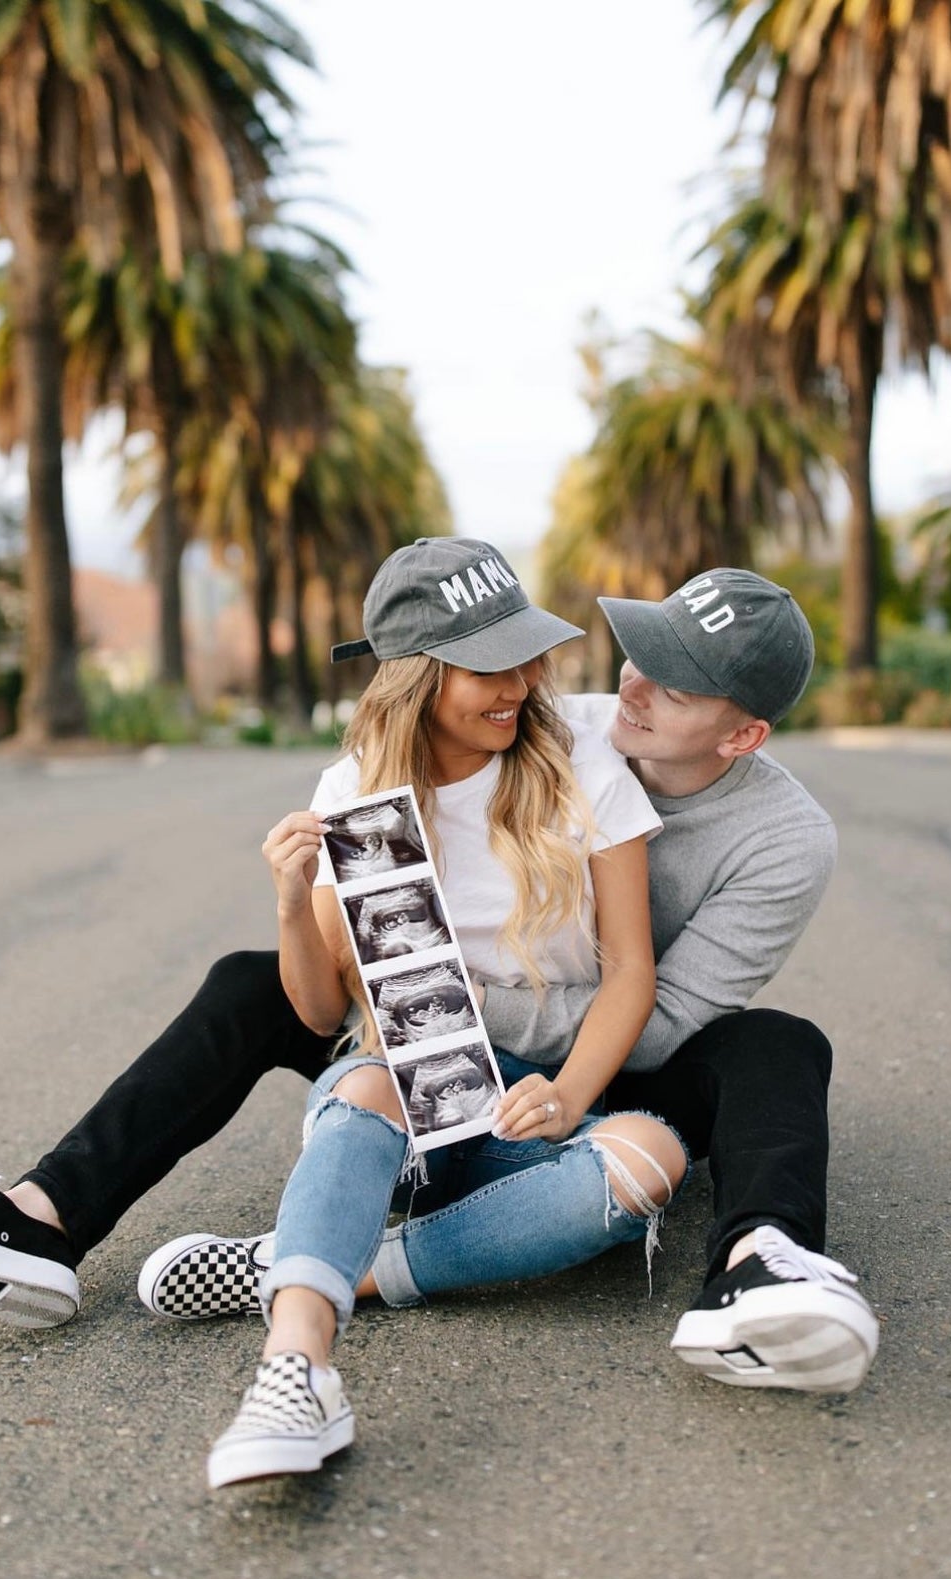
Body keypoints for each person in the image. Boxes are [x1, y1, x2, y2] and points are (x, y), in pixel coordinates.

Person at [0, 561, 877, 1397]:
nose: (633, 687)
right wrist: (374, 945)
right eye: (639, 653)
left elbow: (658, 1020)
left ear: (742, 734)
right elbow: (413, 780)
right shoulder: (569, 722)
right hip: (434, 1032)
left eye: (676, 684)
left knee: (778, 1043)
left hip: (603, 1054)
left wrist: (480, 1022)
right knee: (251, 980)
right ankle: (38, 1216)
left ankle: (761, 1260)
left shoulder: (785, 837)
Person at [205, 536, 686, 1487]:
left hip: (526, 1098)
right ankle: (294, 1366)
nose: (521, 682)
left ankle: (343, 1260)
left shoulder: (576, 764)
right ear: (420, 677)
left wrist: (570, 1089)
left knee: (650, 1161)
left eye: (527, 654)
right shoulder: (356, 794)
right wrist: (291, 899)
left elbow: (633, 967)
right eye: (488, 667)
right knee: (377, 1079)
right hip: (407, 1088)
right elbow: (316, 1007)